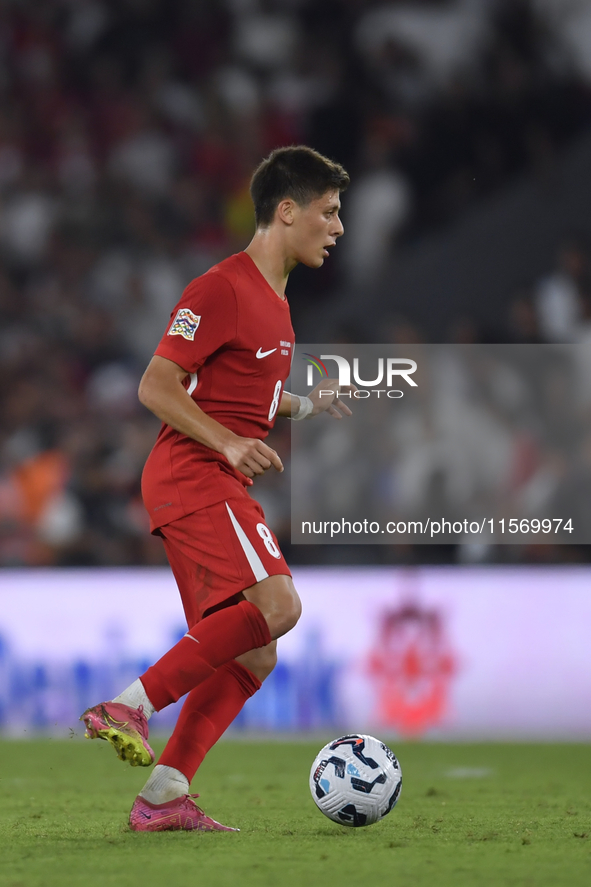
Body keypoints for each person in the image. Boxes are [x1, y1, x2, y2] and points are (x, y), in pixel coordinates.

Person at [80, 145, 352, 832]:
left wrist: (308, 405)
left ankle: (165, 793)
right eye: (327, 211)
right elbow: (156, 382)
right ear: (285, 210)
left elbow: (246, 396)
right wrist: (226, 441)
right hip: (194, 473)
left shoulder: (276, 306)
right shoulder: (221, 287)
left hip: (207, 476)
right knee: (278, 602)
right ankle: (129, 704)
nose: (338, 226)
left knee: (255, 646)